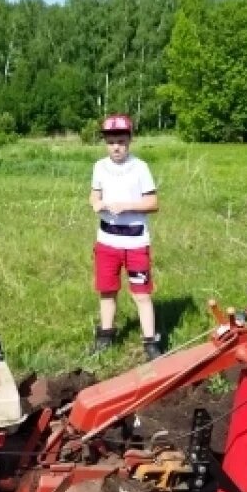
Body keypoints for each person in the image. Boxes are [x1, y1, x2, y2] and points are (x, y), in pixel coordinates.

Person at [88, 114, 162, 361]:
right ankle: (106, 335)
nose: (116, 147)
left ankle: (150, 341)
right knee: (107, 291)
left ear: (130, 140)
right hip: (107, 243)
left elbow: (153, 203)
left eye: (121, 141)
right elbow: (94, 195)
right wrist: (96, 203)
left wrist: (127, 206)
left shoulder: (140, 168)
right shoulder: (100, 167)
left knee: (141, 294)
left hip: (135, 243)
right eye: (111, 142)